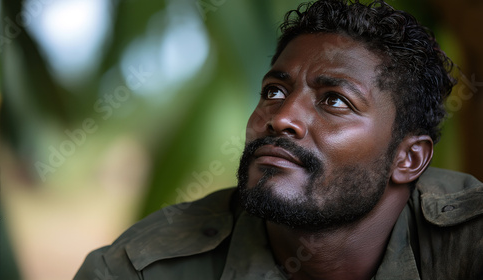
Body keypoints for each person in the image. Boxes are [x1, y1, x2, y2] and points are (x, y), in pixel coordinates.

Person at [74, 0, 483, 279]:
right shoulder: (141, 269)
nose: (282, 118)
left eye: (335, 100)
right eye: (274, 91)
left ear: (408, 159)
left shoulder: (468, 244)